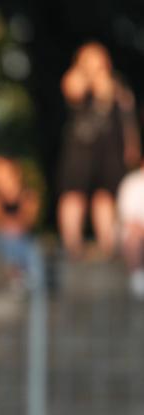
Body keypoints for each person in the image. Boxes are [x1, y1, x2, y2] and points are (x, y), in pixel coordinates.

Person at [57, 42, 140, 259]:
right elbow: (73, 92)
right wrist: (93, 78)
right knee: (74, 194)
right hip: (80, 148)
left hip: (110, 148)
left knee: (105, 195)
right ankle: (72, 246)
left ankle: (108, 245)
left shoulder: (118, 82)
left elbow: (127, 116)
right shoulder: (74, 77)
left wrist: (132, 144)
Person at [0, 155, 40, 287]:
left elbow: (29, 220)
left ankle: (19, 277)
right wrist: (11, 225)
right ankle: (19, 276)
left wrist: (15, 225)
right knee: (9, 240)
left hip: (23, 237)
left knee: (18, 241)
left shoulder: (28, 193)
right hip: (1, 238)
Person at [117, 164, 144, 298]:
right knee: (133, 239)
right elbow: (126, 218)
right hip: (133, 233)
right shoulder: (131, 183)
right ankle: (137, 281)